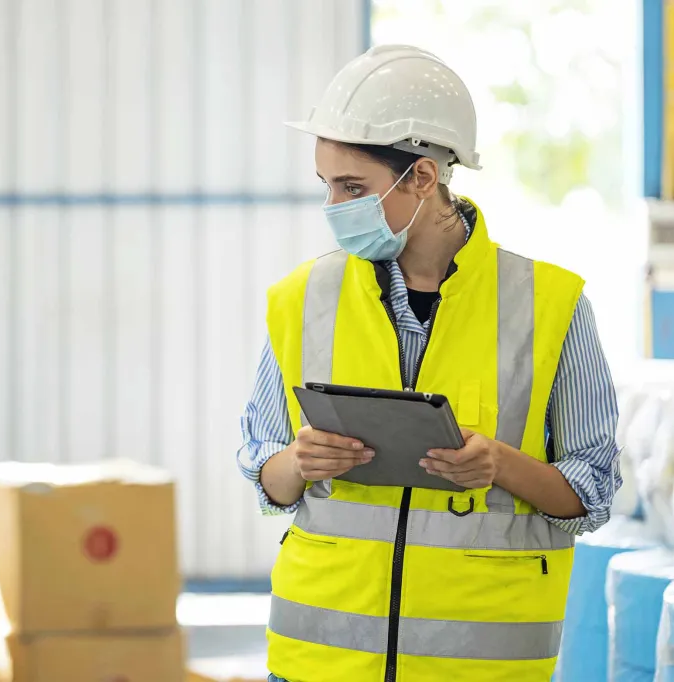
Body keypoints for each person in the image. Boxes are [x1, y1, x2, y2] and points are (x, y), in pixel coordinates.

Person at [237, 45, 620, 682]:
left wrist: (501, 464)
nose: (333, 206)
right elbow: (265, 473)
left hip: (480, 664)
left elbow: (593, 493)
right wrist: (298, 462)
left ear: (421, 178)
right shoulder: (301, 298)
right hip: (317, 659)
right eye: (326, 185)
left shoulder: (552, 305)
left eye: (352, 187)